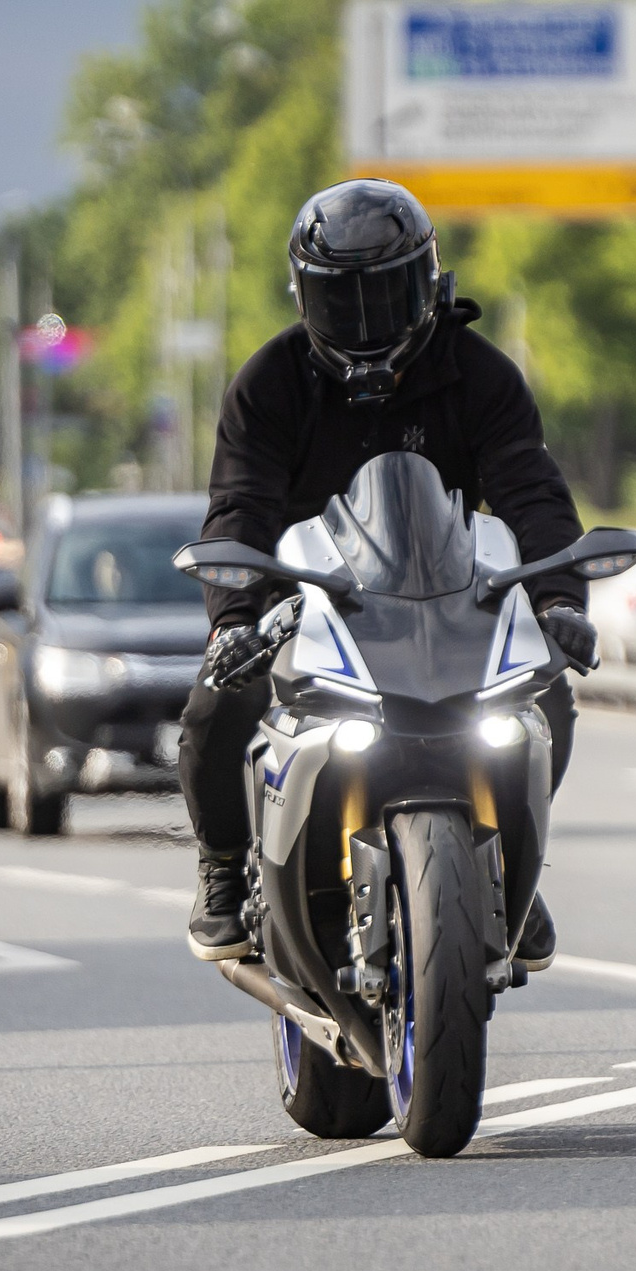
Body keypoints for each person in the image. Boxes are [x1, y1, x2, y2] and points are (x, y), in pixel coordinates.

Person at [180, 179, 597, 965]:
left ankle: (511, 864)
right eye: (345, 301)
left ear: (431, 282)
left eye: (388, 292)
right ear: (305, 297)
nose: (368, 322)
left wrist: (558, 600)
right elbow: (238, 507)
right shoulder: (266, 385)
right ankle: (221, 868)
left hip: (450, 603)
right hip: (310, 609)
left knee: (547, 698)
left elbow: (533, 491)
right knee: (214, 701)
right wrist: (235, 620)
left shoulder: (481, 375)